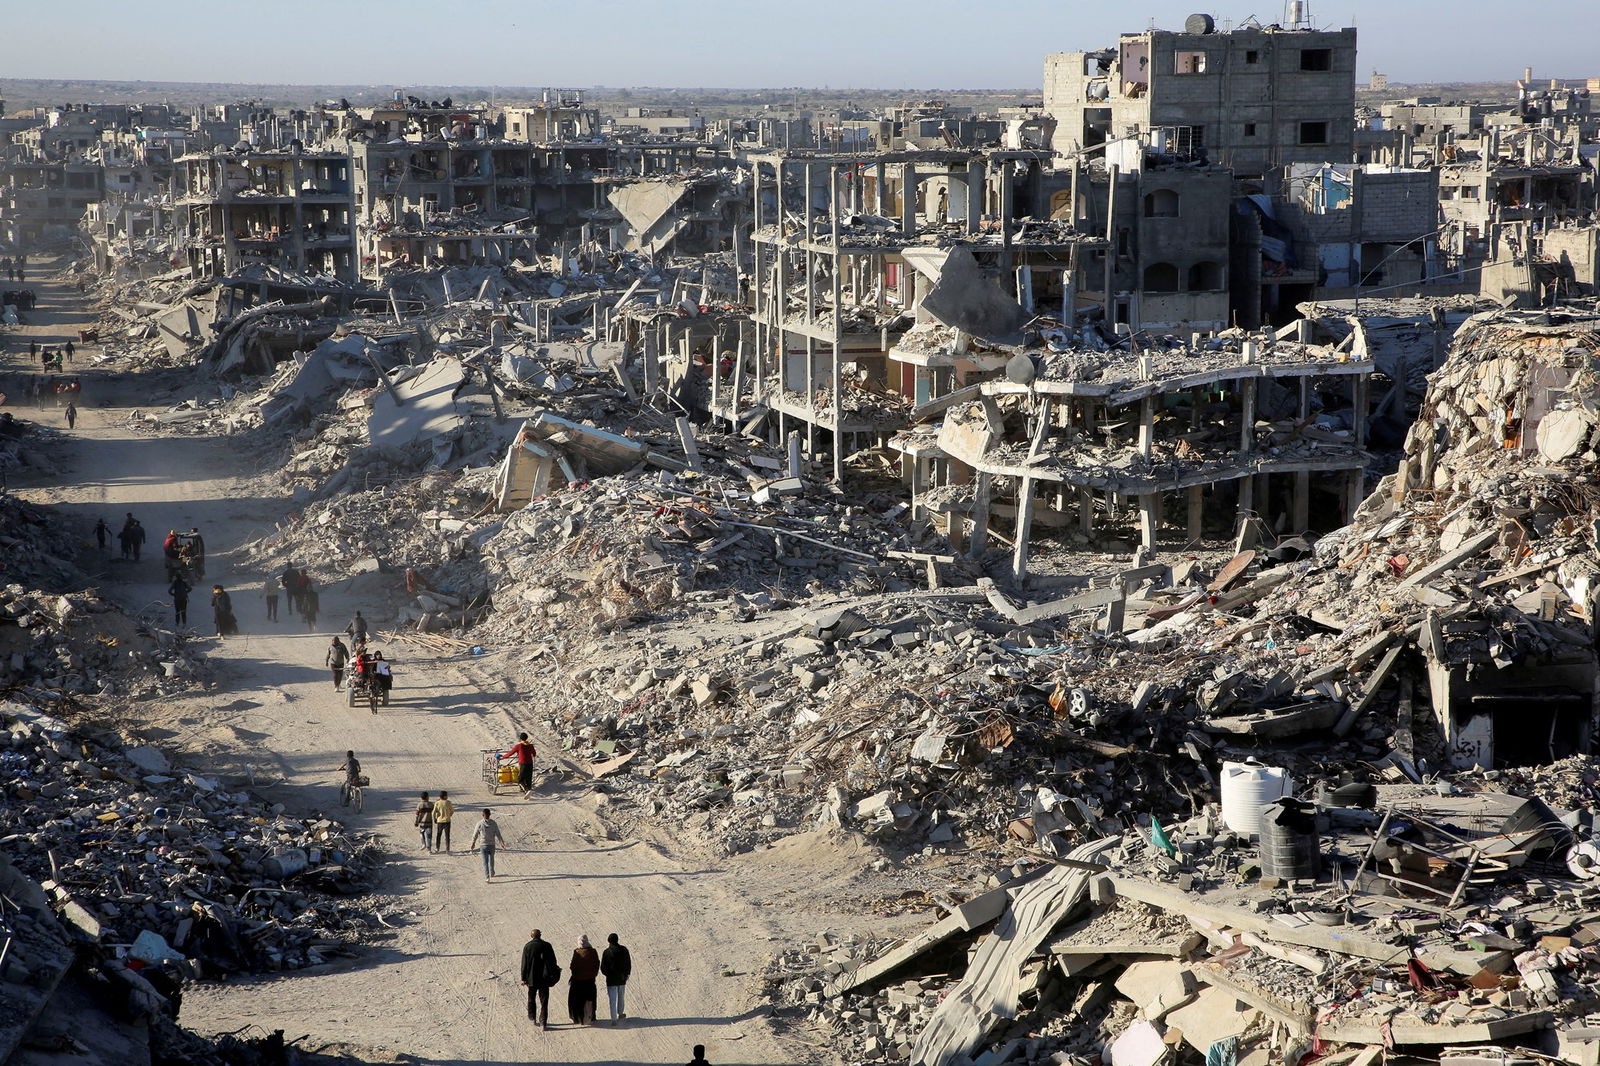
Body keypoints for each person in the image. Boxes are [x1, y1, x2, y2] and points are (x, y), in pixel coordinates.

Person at [520, 929, 559, 1029]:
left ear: (531, 936)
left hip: (531, 978)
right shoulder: (547, 945)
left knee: (531, 998)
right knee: (544, 1001)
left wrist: (523, 978)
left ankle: (532, 1017)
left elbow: (524, 964)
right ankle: (543, 1022)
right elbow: (553, 962)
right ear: (540, 935)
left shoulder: (527, 946)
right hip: (544, 978)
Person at [601, 933, 632, 1025]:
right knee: (621, 996)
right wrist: (626, 974)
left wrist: (608, 975)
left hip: (611, 980)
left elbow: (603, 967)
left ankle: (614, 1019)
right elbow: (628, 963)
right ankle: (621, 1013)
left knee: (612, 999)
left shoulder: (606, 952)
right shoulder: (624, 950)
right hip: (622, 979)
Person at [568, 936, 600, 1026]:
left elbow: (572, 966)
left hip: (577, 981)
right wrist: (594, 973)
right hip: (590, 980)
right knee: (590, 998)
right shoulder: (593, 952)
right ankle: (591, 1016)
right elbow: (597, 964)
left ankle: (578, 1018)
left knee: (577, 999)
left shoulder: (577, 952)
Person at [468, 808, 506, 880]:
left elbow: (475, 834)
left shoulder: (479, 823)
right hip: (492, 844)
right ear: (490, 815)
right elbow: (498, 834)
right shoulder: (494, 823)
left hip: (483, 845)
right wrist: (502, 843)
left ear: (482, 815)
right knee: (491, 859)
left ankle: (487, 876)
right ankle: (492, 872)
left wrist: (473, 843)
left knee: (485, 861)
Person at [506, 732, 537, 797]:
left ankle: (526, 790)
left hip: (523, 764)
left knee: (520, 779)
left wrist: (502, 757)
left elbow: (510, 753)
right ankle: (528, 789)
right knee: (528, 778)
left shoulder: (518, 746)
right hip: (530, 763)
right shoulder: (530, 745)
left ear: (520, 738)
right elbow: (534, 754)